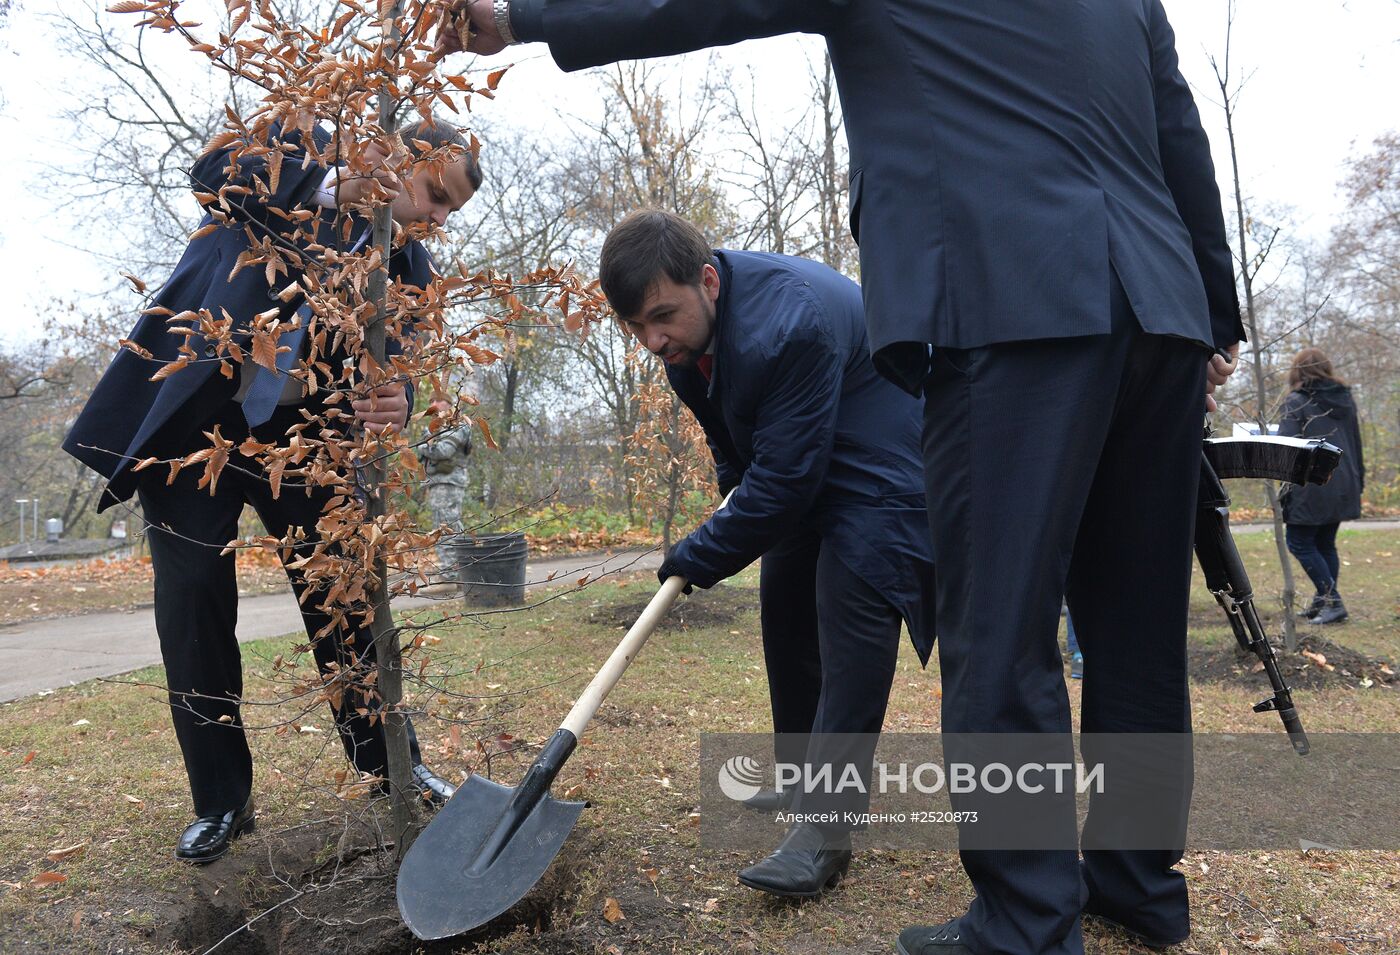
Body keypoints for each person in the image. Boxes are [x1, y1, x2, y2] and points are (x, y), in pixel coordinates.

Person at [438, 2, 1244, 952]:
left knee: (997, 630)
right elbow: (1176, 123)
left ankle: (1029, 920)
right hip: (1160, 311)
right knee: (1135, 632)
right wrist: (1213, 307)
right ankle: (1137, 887)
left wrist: (521, 17)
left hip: (1009, 301)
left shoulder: (785, 316)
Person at [63, 116, 481, 864]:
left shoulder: (408, 266)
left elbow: (406, 357)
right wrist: (331, 185)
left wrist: (401, 396)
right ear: (397, 158)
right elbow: (210, 170)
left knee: (347, 595)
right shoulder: (302, 142)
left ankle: (393, 764)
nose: (440, 220)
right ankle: (221, 800)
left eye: (452, 212)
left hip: (308, 441)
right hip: (197, 423)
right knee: (191, 603)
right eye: (436, 195)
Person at [602, 210, 936, 899]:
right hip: (812, 459)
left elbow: (782, 484)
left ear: (708, 280)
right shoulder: (685, 349)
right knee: (785, 605)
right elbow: (738, 451)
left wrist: (698, 553)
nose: (652, 339)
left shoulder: (789, 323)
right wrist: (732, 500)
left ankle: (825, 830)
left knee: (852, 611)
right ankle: (800, 776)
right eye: (636, 327)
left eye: (661, 316)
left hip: (886, 464)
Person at [1277, 348, 1365, 626]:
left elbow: (1287, 445)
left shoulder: (1297, 401)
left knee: (1299, 542)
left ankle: (1333, 601)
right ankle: (1322, 601)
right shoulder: (1345, 399)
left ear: (1298, 372)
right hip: (1344, 480)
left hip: (1311, 484)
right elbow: (1356, 443)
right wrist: (1359, 480)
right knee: (1325, 543)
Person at [422, 395, 475, 582]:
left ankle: (453, 575)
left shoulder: (457, 426)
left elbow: (443, 452)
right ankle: (455, 573)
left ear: (449, 404)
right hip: (439, 483)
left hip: (449, 483)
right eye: (430, 402)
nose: (433, 405)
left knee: (447, 527)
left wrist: (423, 445)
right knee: (444, 526)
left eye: (437, 400)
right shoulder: (438, 428)